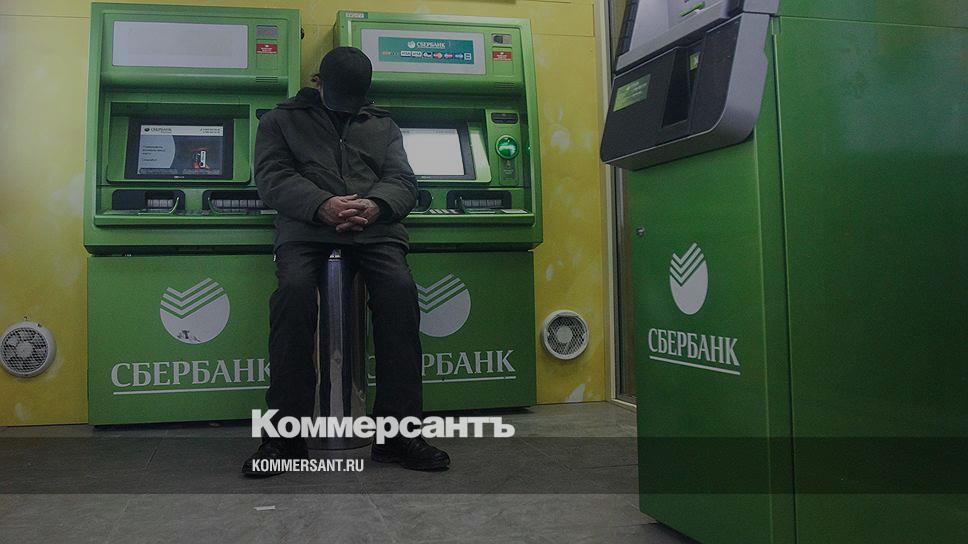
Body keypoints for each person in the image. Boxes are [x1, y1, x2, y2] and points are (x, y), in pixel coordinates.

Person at [243, 46, 450, 476]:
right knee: (292, 297)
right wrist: (322, 205)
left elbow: (402, 180)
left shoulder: (383, 124)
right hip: (306, 229)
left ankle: (398, 437)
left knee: (399, 295)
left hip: (373, 230)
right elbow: (272, 177)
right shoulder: (279, 121)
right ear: (317, 82)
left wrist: (376, 205)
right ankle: (284, 440)